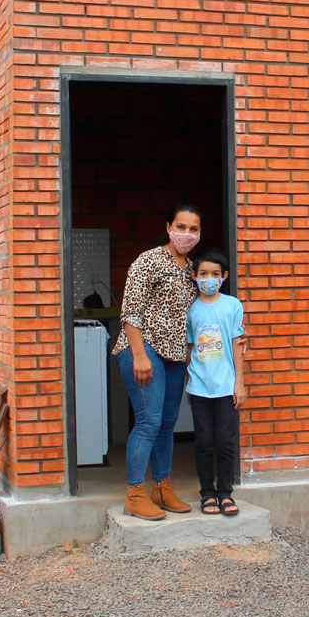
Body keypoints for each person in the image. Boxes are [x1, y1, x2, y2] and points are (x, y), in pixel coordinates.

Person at [112, 203, 202, 521]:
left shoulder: (192, 270)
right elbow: (131, 311)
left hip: (175, 354)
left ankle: (161, 488)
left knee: (166, 424)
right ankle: (135, 494)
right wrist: (138, 354)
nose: (186, 234)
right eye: (181, 227)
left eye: (193, 229)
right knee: (149, 421)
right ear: (168, 227)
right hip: (143, 348)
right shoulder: (149, 260)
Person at [185, 248, 246, 516]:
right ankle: (206, 494)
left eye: (214, 274)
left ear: (224, 276)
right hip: (199, 388)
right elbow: (189, 348)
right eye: (203, 274)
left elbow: (237, 344)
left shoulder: (232, 305)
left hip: (226, 387)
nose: (209, 278)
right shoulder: (190, 309)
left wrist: (239, 384)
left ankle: (225, 493)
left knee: (225, 442)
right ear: (194, 276)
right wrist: (188, 381)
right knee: (204, 443)